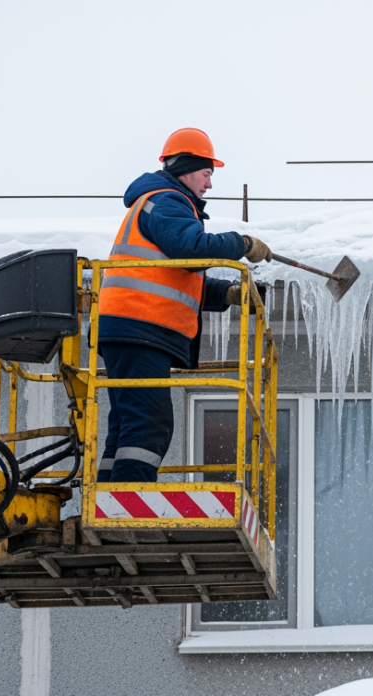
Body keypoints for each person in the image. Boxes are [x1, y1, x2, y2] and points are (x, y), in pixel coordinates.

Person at [97, 127, 272, 482]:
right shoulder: (167, 201)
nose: (209, 185)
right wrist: (242, 242)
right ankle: (128, 501)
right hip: (139, 326)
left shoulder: (160, 203)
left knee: (129, 420)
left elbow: (177, 275)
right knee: (150, 421)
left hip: (131, 327)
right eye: (206, 174)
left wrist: (226, 294)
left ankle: (110, 495)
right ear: (186, 168)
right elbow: (189, 248)